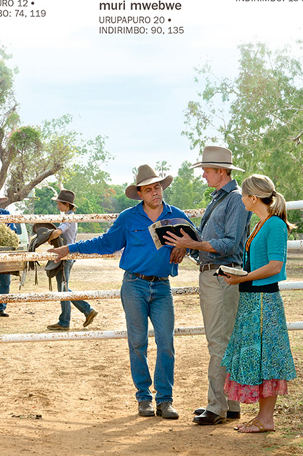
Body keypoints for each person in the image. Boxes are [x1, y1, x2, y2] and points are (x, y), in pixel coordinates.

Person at [52, 164, 194, 420]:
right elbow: (105, 242)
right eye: (148, 189)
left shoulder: (176, 215)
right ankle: (143, 398)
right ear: (139, 193)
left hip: (162, 286)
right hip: (134, 285)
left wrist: (186, 246)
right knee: (137, 342)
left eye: (157, 187)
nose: (154, 193)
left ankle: (165, 400)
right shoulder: (128, 218)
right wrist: (70, 249)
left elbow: (197, 241)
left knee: (166, 343)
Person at [164, 145, 250, 425]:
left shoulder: (234, 200)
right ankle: (228, 403)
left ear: (221, 171)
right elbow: (215, 242)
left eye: (207, 170)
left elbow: (230, 243)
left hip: (222, 275)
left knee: (218, 341)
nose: (203, 175)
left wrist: (195, 243)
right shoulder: (220, 199)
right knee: (223, 339)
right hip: (215, 274)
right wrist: (186, 245)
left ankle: (217, 406)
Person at [220, 174, 297, 433]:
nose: (241, 199)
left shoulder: (274, 225)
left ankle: (266, 419)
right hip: (253, 299)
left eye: (243, 195)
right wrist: (240, 276)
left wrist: (245, 277)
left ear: (253, 198)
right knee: (262, 357)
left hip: (264, 301)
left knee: (266, 358)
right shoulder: (261, 223)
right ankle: (263, 417)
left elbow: (275, 265)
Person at [46, 189, 98, 331]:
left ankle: (71, 318)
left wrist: (47, 237)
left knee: (63, 289)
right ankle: (84, 312)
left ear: (66, 205)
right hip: (68, 255)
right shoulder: (70, 216)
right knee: (64, 288)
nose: (58, 206)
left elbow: (58, 232)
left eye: (59, 204)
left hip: (66, 256)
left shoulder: (69, 218)